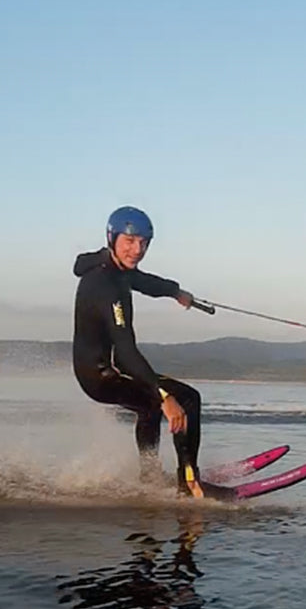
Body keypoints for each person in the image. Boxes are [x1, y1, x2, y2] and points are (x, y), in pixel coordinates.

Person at [72, 206, 205, 497]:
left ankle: (148, 476)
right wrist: (164, 396)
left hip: (98, 369)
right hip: (104, 374)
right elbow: (127, 352)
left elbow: (143, 281)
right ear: (112, 238)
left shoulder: (113, 268)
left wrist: (175, 291)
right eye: (130, 242)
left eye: (144, 242)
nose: (138, 249)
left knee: (148, 407)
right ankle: (189, 481)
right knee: (187, 399)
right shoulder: (106, 286)